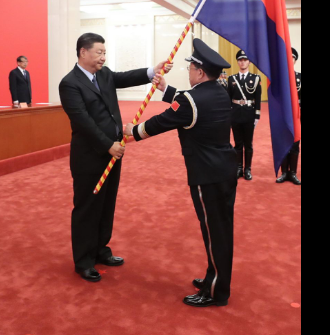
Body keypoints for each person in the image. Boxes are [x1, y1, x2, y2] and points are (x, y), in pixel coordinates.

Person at [124, 39, 238, 308]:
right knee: (219, 229)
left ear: (200, 72)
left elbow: (165, 120)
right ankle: (213, 277)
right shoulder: (219, 91)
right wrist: (166, 89)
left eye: (191, 68)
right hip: (224, 169)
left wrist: (134, 131)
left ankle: (216, 291)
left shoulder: (192, 100)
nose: (189, 72)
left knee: (214, 232)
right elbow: (188, 103)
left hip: (206, 174)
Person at [58, 32, 171, 283]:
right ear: (83, 52)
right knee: (87, 207)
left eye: (104, 52)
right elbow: (83, 121)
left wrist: (152, 71)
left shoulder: (104, 74)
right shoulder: (70, 83)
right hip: (90, 156)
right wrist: (107, 145)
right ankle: (84, 261)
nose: (103, 57)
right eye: (99, 52)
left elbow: (124, 77)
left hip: (114, 151)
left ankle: (101, 250)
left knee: (107, 204)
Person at [228, 50, 261, 180]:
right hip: (235, 114)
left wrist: (257, 116)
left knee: (248, 144)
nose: (242, 62)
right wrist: (228, 115)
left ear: (249, 62)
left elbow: (258, 99)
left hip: (249, 114)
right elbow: (228, 99)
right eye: (240, 60)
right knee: (237, 143)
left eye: (245, 60)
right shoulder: (231, 79)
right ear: (237, 62)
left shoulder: (255, 78)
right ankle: (239, 168)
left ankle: (247, 169)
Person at [277, 47, 301, 185]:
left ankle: (293, 173)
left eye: (292, 58)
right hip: (283, 115)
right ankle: (284, 172)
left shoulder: (300, 78)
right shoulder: (280, 79)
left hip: (296, 115)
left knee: (295, 143)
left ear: (295, 60)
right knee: (283, 142)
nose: (290, 60)